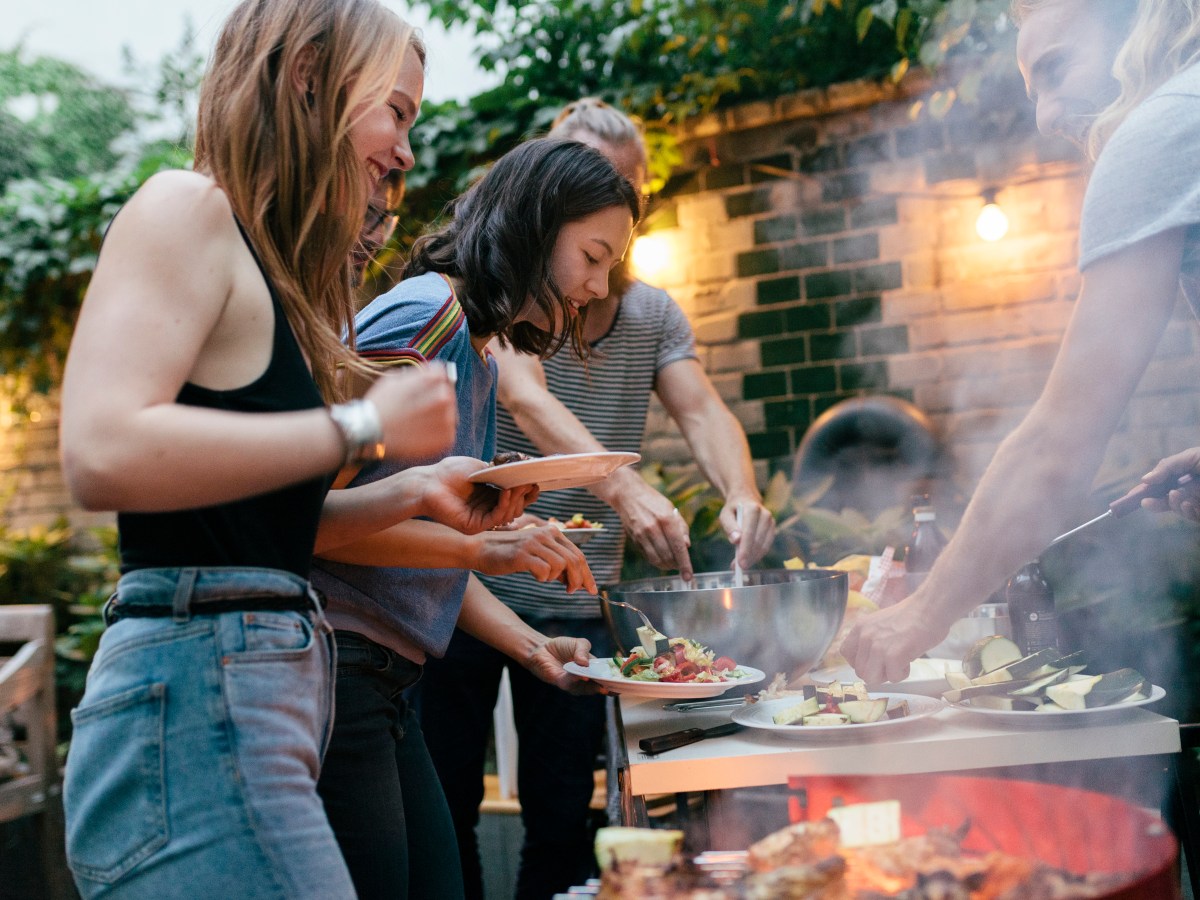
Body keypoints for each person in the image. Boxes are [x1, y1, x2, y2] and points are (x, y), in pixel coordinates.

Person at [55, 3, 535, 897]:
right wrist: (364, 426)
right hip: (194, 693)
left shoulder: (268, 276)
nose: (404, 152)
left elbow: (260, 529)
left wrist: (420, 488)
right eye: (395, 111)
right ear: (310, 74)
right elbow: (100, 447)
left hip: (254, 692)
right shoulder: (186, 206)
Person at [419, 97, 777, 900]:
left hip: (574, 600)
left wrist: (743, 493)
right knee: (446, 803)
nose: (610, 208)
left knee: (561, 814)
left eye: (625, 191)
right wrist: (623, 486)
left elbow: (702, 409)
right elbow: (528, 394)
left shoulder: (648, 311)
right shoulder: (500, 306)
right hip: (461, 585)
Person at [310, 135, 642, 900]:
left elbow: (413, 547)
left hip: (384, 680)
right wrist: (485, 550)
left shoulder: (477, 347)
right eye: (591, 255)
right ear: (534, 222)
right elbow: (316, 521)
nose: (597, 284)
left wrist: (532, 647)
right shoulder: (426, 320)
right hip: (339, 669)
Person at [842, 0, 1200, 684]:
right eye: (1034, 91)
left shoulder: (1159, 132)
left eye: (1057, 70)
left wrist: (919, 614)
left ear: (1135, 25)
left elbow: (1059, 444)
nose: (1046, 116)